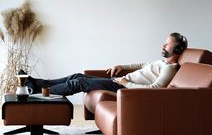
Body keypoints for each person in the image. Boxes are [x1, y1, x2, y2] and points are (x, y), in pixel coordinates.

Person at [22, 32, 188, 96]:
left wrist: (126, 83)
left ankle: (39, 92)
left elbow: (155, 90)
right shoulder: (162, 62)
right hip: (120, 82)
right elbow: (143, 64)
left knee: (79, 83)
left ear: (178, 48)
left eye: (167, 44)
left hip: (123, 89)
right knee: (77, 75)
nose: (163, 45)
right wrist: (122, 66)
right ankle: (37, 83)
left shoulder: (171, 68)